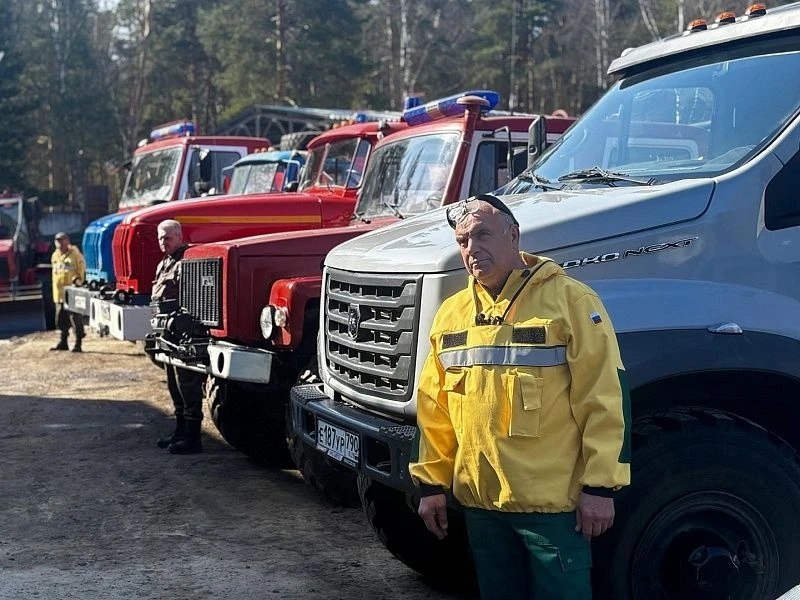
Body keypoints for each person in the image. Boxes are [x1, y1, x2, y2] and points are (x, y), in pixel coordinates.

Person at [409, 194, 631, 599]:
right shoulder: (452, 313)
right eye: (463, 241)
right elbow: (434, 407)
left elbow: (605, 396)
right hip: (482, 509)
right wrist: (430, 484)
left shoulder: (571, 301)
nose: (472, 248)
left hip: (552, 512)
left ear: (514, 236)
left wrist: (601, 488)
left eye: (482, 234)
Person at [152, 219, 205, 455]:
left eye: (168, 237)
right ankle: (180, 431)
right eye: (161, 238)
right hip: (166, 332)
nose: (164, 242)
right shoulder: (165, 263)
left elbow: (194, 299)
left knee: (188, 385)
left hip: (184, 334)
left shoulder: (186, 262)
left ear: (179, 236)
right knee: (174, 384)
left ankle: (193, 438)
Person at [50, 232, 86, 352]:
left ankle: (78, 343)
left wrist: (79, 283)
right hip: (59, 294)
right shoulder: (55, 256)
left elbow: (82, 270)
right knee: (61, 319)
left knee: (75, 318)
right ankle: (63, 341)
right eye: (57, 240)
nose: (60, 243)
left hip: (72, 293)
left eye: (62, 240)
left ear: (68, 241)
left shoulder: (75, 255)